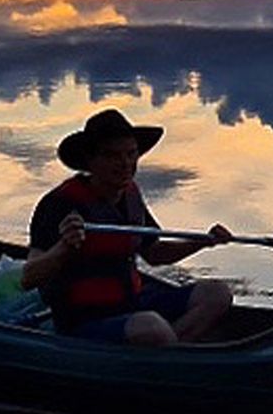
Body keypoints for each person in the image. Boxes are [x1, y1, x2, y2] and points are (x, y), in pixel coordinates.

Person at [22, 109, 234, 346]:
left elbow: (154, 253)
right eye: (112, 155)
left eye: (131, 154)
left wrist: (203, 242)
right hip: (83, 318)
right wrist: (63, 247)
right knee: (152, 327)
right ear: (90, 161)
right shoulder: (60, 203)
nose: (125, 164)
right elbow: (29, 276)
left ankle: (168, 351)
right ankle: (173, 355)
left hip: (132, 301)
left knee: (216, 294)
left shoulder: (130, 195)